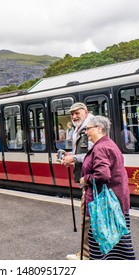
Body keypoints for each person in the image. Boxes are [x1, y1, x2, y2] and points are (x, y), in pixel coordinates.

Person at [80, 116, 136, 260]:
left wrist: (85, 179)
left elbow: (103, 175)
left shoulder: (101, 147)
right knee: (118, 242)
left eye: (88, 129)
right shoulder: (109, 144)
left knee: (101, 242)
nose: (86, 132)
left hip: (105, 205)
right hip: (115, 201)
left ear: (99, 128)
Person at [61, 102, 94, 260]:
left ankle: (85, 255)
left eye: (77, 113)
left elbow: (93, 155)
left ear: (85, 113)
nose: (74, 116)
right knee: (89, 218)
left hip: (90, 180)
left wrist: (73, 157)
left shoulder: (91, 128)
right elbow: (83, 153)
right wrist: (71, 156)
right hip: (86, 178)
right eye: (72, 114)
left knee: (86, 218)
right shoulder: (79, 129)